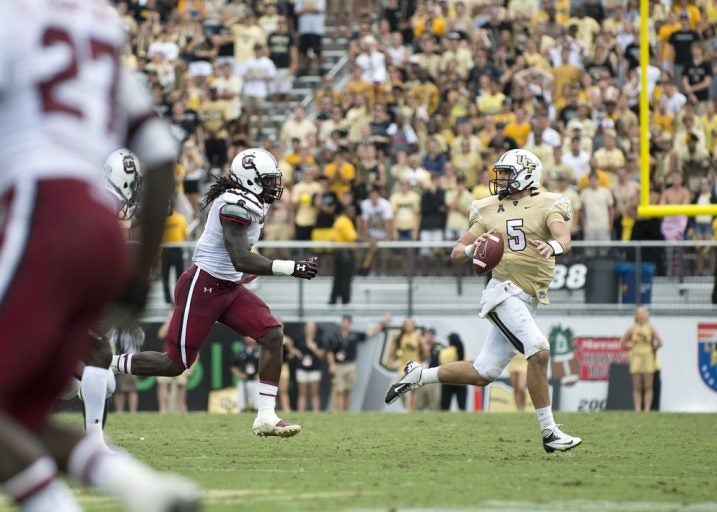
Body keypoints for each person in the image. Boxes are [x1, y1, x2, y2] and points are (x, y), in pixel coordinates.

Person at [0, 1, 200, 510]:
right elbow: (159, 156)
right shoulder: (101, 26)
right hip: (101, 237)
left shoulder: (13, 19)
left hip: (40, 215)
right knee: (19, 422)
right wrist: (136, 278)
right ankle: (139, 486)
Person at [385, 149, 582, 453]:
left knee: (484, 373)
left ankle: (419, 374)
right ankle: (549, 432)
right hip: (503, 292)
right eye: (500, 173)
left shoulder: (548, 203)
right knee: (539, 351)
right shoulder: (488, 208)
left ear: (528, 174)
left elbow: (565, 237)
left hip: (527, 296)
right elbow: (456, 250)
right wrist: (471, 249)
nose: (500, 179)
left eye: (506, 173)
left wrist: (553, 246)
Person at [112, 147, 318, 437]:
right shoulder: (233, 204)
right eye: (269, 179)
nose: (275, 186)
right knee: (175, 364)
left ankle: (266, 416)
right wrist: (291, 267)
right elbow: (240, 258)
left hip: (229, 286)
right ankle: (107, 363)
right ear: (250, 180)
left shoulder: (254, 200)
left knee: (272, 334)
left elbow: (242, 259)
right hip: (204, 285)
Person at [326, 314, 390, 412]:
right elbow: (329, 351)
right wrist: (331, 364)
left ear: (350, 324)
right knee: (339, 390)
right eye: (344, 322)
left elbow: (370, 333)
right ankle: (339, 413)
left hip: (350, 364)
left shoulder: (354, 335)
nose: (345, 324)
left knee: (348, 390)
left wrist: (383, 322)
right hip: (339, 365)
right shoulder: (335, 336)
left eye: (347, 322)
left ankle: (345, 411)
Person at [620, 306, 664, 412]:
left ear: (646, 315)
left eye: (642, 313)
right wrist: (631, 346)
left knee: (648, 386)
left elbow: (660, 342)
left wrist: (652, 348)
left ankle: (647, 409)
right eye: (638, 313)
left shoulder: (650, 328)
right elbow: (622, 343)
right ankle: (638, 409)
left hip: (648, 358)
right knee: (637, 386)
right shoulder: (632, 328)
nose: (640, 316)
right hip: (636, 358)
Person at [108, 326, 145, 414]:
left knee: (131, 388)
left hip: (130, 360)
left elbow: (140, 338)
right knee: (118, 389)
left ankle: (133, 412)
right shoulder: (114, 330)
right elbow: (106, 339)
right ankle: (119, 412)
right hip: (115, 359)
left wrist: (132, 326)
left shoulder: (133, 328)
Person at [295, 320, 326, 412]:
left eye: (312, 327)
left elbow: (322, 355)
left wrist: (313, 347)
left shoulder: (319, 340)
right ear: (305, 328)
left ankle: (316, 414)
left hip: (315, 370)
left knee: (315, 393)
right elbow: (294, 351)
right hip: (302, 369)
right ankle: (301, 414)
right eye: (308, 327)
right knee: (302, 393)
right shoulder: (299, 339)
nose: (310, 329)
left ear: (315, 329)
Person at [231, 336, 261, 412]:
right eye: (247, 336)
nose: (249, 338)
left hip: (256, 381)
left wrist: (261, 374)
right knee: (242, 404)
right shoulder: (241, 351)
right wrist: (239, 374)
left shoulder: (260, 351)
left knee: (258, 404)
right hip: (244, 380)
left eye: (251, 336)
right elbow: (233, 366)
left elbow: (267, 365)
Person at [439, 333, 468, 411]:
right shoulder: (462, 351)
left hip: (447, 380)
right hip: (461, 380)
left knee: (445, 407)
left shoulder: (444, 352)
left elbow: (441, 365)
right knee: (462, 407)